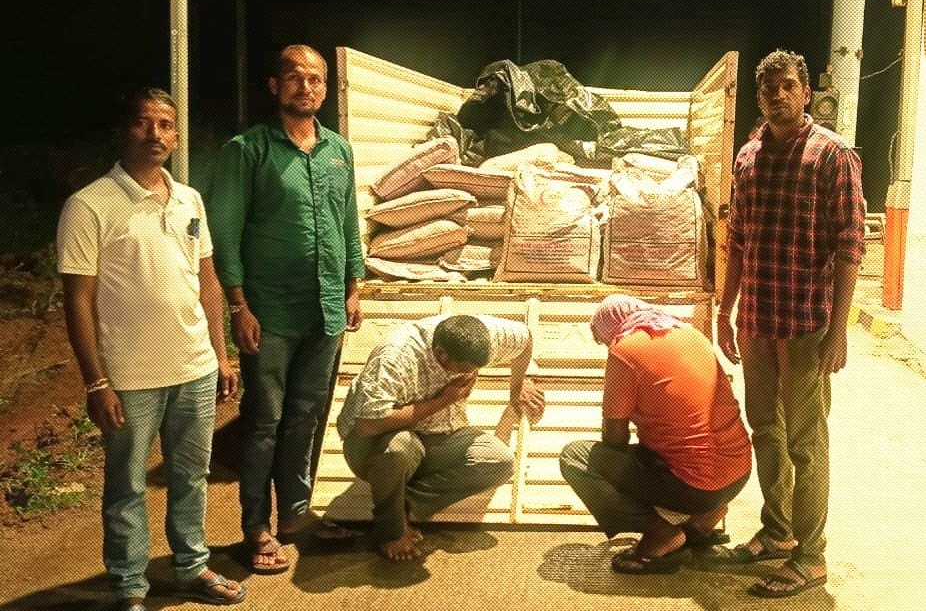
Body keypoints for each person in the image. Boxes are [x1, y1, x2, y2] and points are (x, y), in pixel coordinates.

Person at [57, 88, 247, 610]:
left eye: (165, 125)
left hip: (195, 368)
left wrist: (221, 355)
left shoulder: (189, 200)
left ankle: (191, 567)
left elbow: (207, 281)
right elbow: (78, 301)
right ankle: (129, 587)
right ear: (124, 130)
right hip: (129, 378)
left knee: (191, 477)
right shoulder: (89, 205)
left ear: (177, 136)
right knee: (127, 487)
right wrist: (96, 382)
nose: (155, 134)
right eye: (143, 123)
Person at [207, 45, 365, 573]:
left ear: (325, 88)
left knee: (306, 416)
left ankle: (295, 514)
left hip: (326, 309)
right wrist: (238, 306)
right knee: (263, 421)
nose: (306, 87)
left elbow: (348, 221)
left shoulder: (338, 150)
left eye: (316, 79)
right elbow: (225, 233)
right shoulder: (247, 151)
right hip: (269, 312)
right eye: (295, 77)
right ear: (275, 86)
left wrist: (353, 286)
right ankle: (256, 526)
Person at [714, 49, 865, 598]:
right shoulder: (748, 157)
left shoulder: (832, 155)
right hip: (757, 319)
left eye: (787, 86)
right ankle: (778, 533)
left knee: (806, 441)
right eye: (768, 88)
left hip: (806, 325)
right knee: (766, 430)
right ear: (759, 98)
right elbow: (738, 239)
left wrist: (839, 330)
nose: (777, 95)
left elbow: (850, 247)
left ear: (805, 93)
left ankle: (811, 557)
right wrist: (725, 310)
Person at [558, 294, 751, 575]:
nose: (607, 346)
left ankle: (661, 534)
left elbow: (614, 439)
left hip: (695, 487)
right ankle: (703, 521)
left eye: (603, 340)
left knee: (575, 458)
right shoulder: (691, 333)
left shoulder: (624, 350)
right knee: (681, 448)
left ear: (610, 328)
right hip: (738, 475)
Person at [336, 314, 546, 561]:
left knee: (498, 460)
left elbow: (525, 340)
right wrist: (445, 400)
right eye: (465, 369)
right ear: (441, 354)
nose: (471, 373)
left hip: (436, 434)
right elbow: (368, 425)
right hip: (373, 444)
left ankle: (402, 506)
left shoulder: (489, 335)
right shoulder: (395, 358)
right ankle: (390, 530)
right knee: (400, 447)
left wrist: (517, 388)